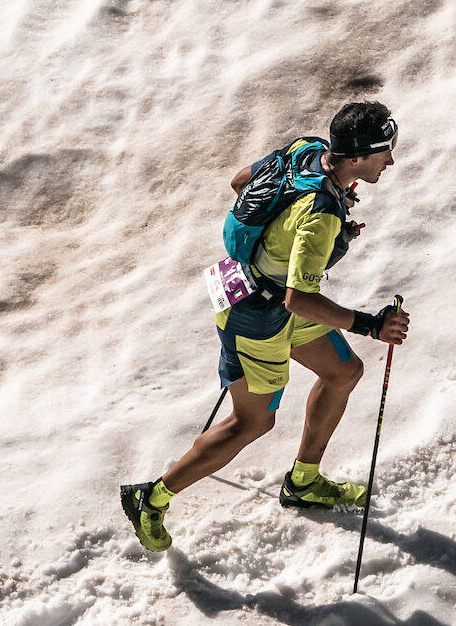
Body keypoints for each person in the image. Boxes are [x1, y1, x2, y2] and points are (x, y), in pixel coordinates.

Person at [120, 101, 411, 552]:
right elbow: (302, 298)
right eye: (383, 154)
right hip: (258, 313)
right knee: (251, 423)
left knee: (343, 372)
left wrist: (276, 238)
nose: (390, 161)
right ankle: (150, 499)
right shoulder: (320, 215)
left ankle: (304, 483)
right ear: (355, 158)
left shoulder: (307, 150)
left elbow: (240, 182)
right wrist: (370, 325)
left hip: (256, 288)